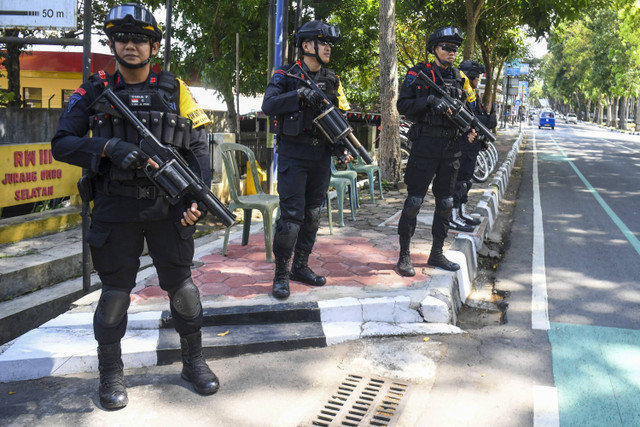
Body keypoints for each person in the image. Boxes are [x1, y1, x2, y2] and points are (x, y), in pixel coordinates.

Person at [51, 3, 219, 409]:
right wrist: (108, 146)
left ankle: (193, 361)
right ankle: (111, 374)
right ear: (112, 43)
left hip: (167, 208)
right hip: (114, 207)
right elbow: (61, 143)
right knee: (114, 296)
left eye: (140, 38)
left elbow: (199, 146)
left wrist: (197, 198)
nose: (130, 45)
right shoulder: (92, 90)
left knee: (183, 290)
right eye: (123, 38)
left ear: (154, 45)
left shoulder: (174, 89)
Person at [262, 20, 353, 300]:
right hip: (294, 154)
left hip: (320, 156)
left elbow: (337, 118)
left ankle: (300, 267)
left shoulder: (331, 79)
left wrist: (341, 149)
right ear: (306, 46)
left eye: (329, 43)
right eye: (322, 42)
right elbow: (268, 105)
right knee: (291, 218)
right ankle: (281, 274)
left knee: (313, 215)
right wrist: (300, 94)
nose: (328, 48)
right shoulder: (286, 74)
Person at [395, 26, 477, 276]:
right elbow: (403, 105)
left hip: (451, 148)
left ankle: (437, 253)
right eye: (446, 48)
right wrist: (429, 102)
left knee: (445, 202)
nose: (452, 52)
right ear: (434, 50)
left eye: (455, 49)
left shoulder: (460, 77)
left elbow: (469, 110)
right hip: (425, 145)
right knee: (414, 202)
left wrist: (471, 129)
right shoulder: (418, 74)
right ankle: (404, 256)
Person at [450, 59, 497, 231]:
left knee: (467, 182)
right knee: (459, 182)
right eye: (477, 78)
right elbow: (470, 118)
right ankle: (452, 216)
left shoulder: (472, 94)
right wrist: (488, 120)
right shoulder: (461, 93)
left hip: (473, 145)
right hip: (463, 143)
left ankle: (461, 212)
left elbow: (478, 116)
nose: (478, 81)